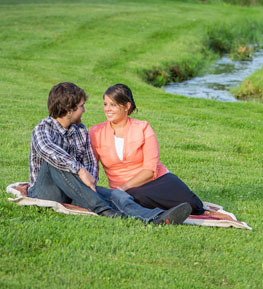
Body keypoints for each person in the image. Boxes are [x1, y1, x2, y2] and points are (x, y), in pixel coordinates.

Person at [27, 82, 192, 225]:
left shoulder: (80, 130)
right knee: (55, 162)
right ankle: (105, 210)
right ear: (69, 110)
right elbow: (48, 150)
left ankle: (156, 218)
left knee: (117, 196)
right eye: (81, 106)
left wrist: (90, 184)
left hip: (72, 191)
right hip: (45, 192)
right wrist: (80, 170)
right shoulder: (43, 128)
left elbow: (90, 162)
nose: (84, 110)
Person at [89, 84, 205, 216]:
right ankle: (162, 214)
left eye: (113, 105)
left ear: (127, 107)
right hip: (129, 191)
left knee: (195, 206)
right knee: (135, 197)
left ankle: (164, 208)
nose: (107, 109)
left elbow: (150, 170)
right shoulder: (96, 132)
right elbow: (92, 167)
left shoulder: (143, 128)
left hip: (157, 180)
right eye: (105, 104)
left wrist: (122, 189)